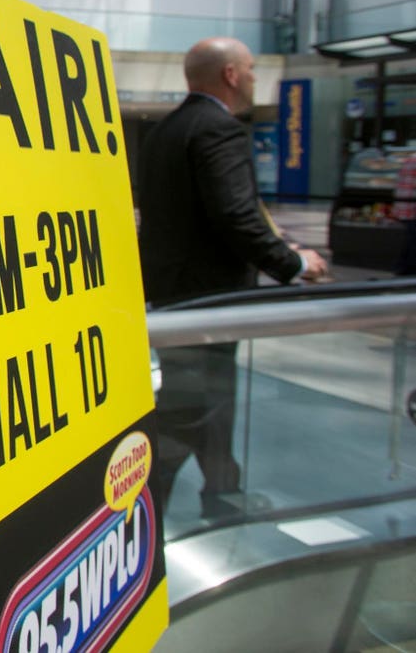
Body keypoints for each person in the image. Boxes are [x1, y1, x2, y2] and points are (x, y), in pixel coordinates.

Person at [137, 37, 328, 519]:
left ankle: (222, 493)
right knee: (193, 406)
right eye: (250, 69)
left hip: (172, 294)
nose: (253, 78)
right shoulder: (219, 129)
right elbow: (236, 216)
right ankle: (150, 506)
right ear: (230, 74)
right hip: (212, 298)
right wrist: (294, 264)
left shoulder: (164, 131)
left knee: (210, 399)